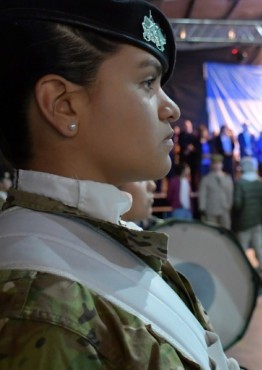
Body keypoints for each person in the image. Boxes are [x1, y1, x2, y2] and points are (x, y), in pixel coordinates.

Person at [0, 1, 240, 369]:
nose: (172, 108)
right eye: (148, 82)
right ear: (64, 106)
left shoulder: (106, 236)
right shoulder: (38, 308)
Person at [232, 157, 262, 288]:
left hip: (243, 224)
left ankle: (243, 278)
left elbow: (237, 204)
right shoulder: (260, 183)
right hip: (257, 222)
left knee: (242, 253)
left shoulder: (240, 183)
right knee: (259, 251)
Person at [198, 154, 234, 229]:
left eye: (219, 163)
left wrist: (229, 205)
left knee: (226, 230)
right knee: (211, 231)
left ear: (222, 165)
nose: (217, 165)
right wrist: (202, 208)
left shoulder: (227, 178)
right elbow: (202, 194)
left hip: (224, 208)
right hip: (210, 209)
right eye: (215, 163)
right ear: (212, 165)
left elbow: (230, 192)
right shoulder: (206, 179)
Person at [178, 119, 201, 191]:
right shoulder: (181, 135)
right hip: (184, 159)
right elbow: (181, 144)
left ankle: (193, 190)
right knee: (183, 175)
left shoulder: (195, 136)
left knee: (193, 176)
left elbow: (198, 147)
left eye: (188, 126)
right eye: (186, 126)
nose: (187, 127)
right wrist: (188, 148)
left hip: (193, 160)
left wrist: (192, 148)